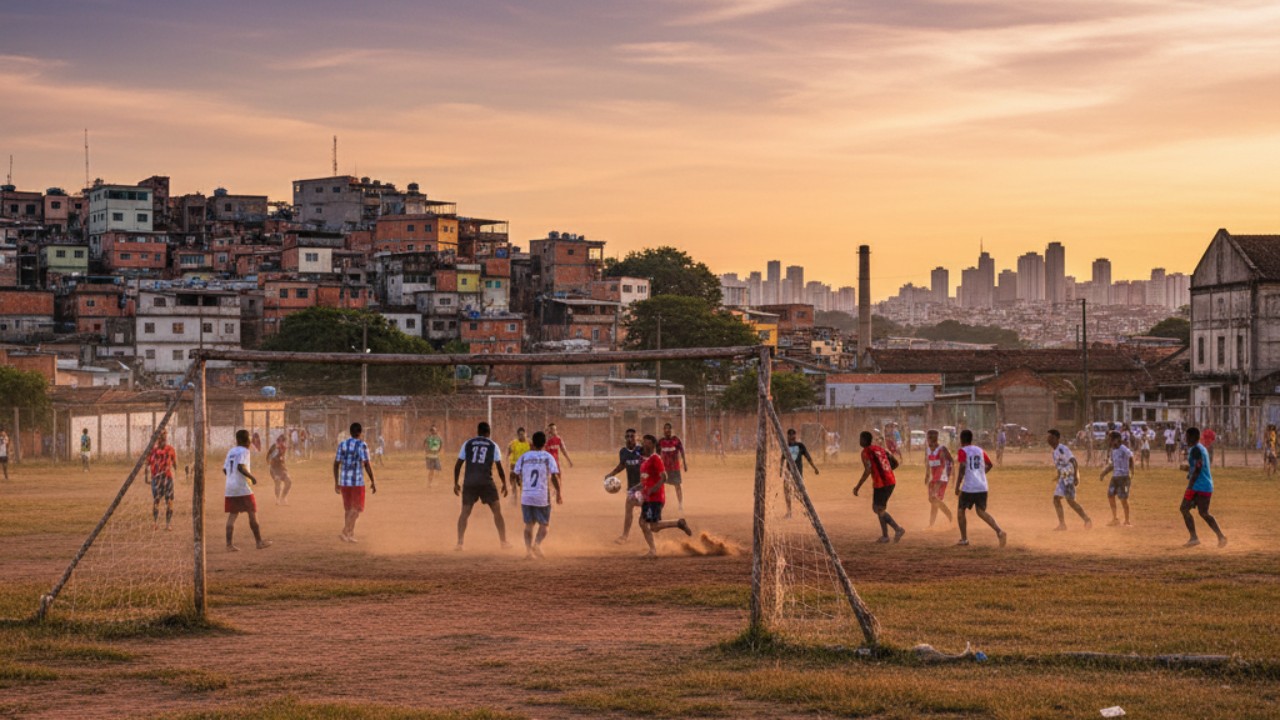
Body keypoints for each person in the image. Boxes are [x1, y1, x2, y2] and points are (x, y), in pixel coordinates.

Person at [454, 422, 510, 551]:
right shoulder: (493, 445)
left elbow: (458, 465)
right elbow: (499, 468)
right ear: (488, 432)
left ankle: (459, 543)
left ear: (477, 431)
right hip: (486, 482)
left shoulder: (468, 443)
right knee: (497, 512)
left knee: (464, 513)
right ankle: (503, 542)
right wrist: (504, 484)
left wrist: (455, 483)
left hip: (470, 482)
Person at [637, 434, 692, 558]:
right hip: (648, 498)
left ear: (652, 444)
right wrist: (634, 490)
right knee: (650, 525)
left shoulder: (656, 458)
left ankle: (653, 550)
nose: (644, 444)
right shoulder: (645, 462)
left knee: (651, 525)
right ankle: (678, 524)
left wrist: (652, 490)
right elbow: (644, 481)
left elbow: (664, 477)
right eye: (643, 442)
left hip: (655, 498)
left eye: (646, 442)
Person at [512, 431, 562, 559]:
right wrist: (559, 493)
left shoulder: (524, 456)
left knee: (529, 524)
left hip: (527, 496)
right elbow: (555, 476)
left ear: (532, 443)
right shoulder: (548, 457)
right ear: (544, 443)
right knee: (544, 524)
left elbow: (515, 472)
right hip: (542, 496)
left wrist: (519, 481)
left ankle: (528, 552)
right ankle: (537, 544)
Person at [953, 429, 1007, 547]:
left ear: (961, 440)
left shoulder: (962, 451)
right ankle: (1000, 531)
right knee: (981, 511)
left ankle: (964, 539)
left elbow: (962, 467)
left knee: (961, 511)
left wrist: (957, 486)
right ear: (971, 439)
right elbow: (990, 465)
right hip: (982, 486)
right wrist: (980, 475)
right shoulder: (980, 450)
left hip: (969, 487)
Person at [853, 431, 905, 544]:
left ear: (865, 440)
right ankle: (885, 536)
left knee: (878, 509)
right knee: (880, 508)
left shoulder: (865, 452)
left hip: (881, 483)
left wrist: (857, 486)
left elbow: (868, 469)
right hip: (890, 481)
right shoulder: (880, 449)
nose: (859, 441)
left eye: (860, 439)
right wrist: (887, 471)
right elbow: (895, 463)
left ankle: (898, 529)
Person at [224, 429, 271, 551]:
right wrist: (252, 477)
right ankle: (259, 542)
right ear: (245, 440)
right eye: (249, 438)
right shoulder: (245, 451)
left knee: (232, 515)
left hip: (230, 488)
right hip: (243, 487)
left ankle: (229, 545)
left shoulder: (231, 451)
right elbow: (241, 466)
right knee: (252, 512)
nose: (251, 440)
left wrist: (232, 477)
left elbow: (225, 469)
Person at [1180, 427, 1227, 547]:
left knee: (1184, 508)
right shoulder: (1201, 448)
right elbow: (1199, 466)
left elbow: (1198, 468)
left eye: (1187, 436)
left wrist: (1190, 486)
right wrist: (1187, 469)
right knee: (1204, 513)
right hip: (1206, 485)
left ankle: (1194, 538)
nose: (1185, 438)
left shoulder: (1195, 449)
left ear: (1192, 437)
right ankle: (1221, 537)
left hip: (1197, 486)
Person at [334, 422, 377, 543]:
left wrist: (336, 481)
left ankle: (350, 535)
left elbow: (336, 463)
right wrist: (373, 480)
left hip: (344, 482)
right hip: (357, 482)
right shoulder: (362, 445)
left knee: (348, 509)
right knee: (356, 509)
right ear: (360, 432)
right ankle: (345, 531)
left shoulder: (342, 444)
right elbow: (367, 463)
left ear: (350, 432)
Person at [607, 428, 645, 544]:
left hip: (644, 487)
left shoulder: (642, 450)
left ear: (637, 438)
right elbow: (622, 465)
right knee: (629, 509)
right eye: (627, 436)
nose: (629, 439)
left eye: (632, 436)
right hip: (631, 488)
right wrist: (611, 474)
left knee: (646, 516)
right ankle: (625, 536)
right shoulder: (623, 452)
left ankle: (652, 534)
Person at [1048, 428, 1092, 530]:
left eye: (1050, 437)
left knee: (1071, 501)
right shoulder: (1054, 451)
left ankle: (1087, 519)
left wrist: (1076, 476)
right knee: (1056, 499)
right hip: (1063, 478)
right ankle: (1062, 524)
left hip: (1069, 478)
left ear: (1056, 438)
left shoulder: (1062, 448)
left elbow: (1073, 461)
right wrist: (1058, 476)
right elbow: (1060, 466)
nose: (1048, 439)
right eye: (1048, 437)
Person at [780, 428, 820, 518]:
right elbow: (782, 459)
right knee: (787, 491)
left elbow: (808, 457)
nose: (791, 437)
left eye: (793, 435)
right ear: (788, 437)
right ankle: (789, 512)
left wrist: (814, 467)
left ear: (795, 436)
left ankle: (807, 510)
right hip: (788, 473)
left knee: (799, 493)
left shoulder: (800, 446)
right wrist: (781, 470)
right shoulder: (786, 446)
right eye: (790, 436)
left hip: (798, 474)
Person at [1099, 431, 1135, 526]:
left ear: (1116, 440)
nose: (1109, 442)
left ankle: (1127, 520)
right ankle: (1115, 519)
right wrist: (1104, 473)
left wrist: (1132, 471)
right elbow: (1113, 465)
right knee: (1110, 495)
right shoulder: (1113, 451)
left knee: (1123, 499)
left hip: (1124, 478)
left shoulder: (1123, 449)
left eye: (1110, 439)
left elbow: (1131, 457)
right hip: (1115, 477)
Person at [147, 429, 179, 531]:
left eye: (164, 437)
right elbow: (147, 464)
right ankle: (155, 523)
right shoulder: (152, 451)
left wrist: (174, 467)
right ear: (158, 439)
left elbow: (175, 464)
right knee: (156, 500)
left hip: (167, 478)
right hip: (156, 479)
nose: (163, 439)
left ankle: (167, 524)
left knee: (169, 501)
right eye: (161, 438)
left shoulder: (170, 449)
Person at [924, 429, 954, 528]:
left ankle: (948, 513)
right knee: (933, 501)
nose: (927, 440)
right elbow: (928, 462)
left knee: (933, 498)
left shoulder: (941, 449)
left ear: (933, 439)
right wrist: (927, 474)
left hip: (941, 476)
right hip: (934, 476)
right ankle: (931, 524)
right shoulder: (928, 449)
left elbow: (949, 461)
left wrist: (951, 474)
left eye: (928, 438)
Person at [659, 422, 689, 512]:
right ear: (663, 431)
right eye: (665, 429)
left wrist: (684, 463)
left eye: (669, 429)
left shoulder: (676, 440)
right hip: (664, 469)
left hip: (674, 468)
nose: (667, 430)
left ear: (671, 430)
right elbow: (657, 454)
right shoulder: (661, 442)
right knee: (659, 486)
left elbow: (682, 451)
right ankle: (660, 504)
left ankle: (680, 504)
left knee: (677, 486)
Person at [507, 427, 532, 506]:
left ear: (526, 434)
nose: (522, 436)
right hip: (514, 466)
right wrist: (507, 461)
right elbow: (508, 453)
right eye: (520, 434)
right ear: (517, 435)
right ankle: (514, 499)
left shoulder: (529, 443)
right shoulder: (513, 443)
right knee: (513, 483)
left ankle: (524, 500)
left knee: (522, 484)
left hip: (524, 467)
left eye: (523, 434)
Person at [267, 434, 292, 505]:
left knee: (289, 482)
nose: (282, 443)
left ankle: (283, 498)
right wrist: (270, 463)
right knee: (277, 480)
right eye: (280, 441)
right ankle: (277, 499)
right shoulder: (274, 447)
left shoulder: (283, 448)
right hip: (274, 469)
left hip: (281, 468)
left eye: (283, 441)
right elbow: (268, 456)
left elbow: (281, 458)